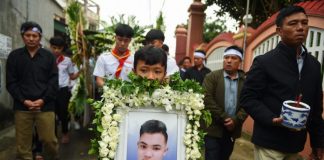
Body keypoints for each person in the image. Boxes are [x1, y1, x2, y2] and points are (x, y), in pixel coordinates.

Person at [240, 6, 324, 160]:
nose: (300, 28)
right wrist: (272, 119)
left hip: (296, 145)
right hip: (269, 144)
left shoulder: (314, 65)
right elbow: (248, 98)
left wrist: (318, 143)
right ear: (279, 31)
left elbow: (316, 108)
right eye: (293, 24)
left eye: (304, 23)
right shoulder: (264, 62)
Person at [6, 21, 59, 159]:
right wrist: (24, 100)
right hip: (22, 106)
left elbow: (53, 82)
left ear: (40, 37)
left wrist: (43, 100)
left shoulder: (49, 57)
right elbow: (11, 83)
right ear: (22, 36)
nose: (31, 38)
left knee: (49, 140)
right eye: (27, 35)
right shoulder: (14, 57)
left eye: (34, 35)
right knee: (23, 146)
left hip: (45, 106)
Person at [202, 46, 247, 160]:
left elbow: (248, 103)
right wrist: (225, 118)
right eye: (226, 57)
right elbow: (207, 99)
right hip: (213, 128)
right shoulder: (212, 77)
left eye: (233, 58)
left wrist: (236, 120)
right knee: (212, 157)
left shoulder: (245, 81)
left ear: (240, 61)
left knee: (225, 156)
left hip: (232, 130)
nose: (229, 61)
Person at [49, 36, 79, 143]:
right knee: (51, 114)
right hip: (50, 91)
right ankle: (53, 136)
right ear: (50, 47)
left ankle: (65, 133)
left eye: (59, 48)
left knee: (63, 113)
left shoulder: (67, 61)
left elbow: (71, 76)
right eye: (54, 47)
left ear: (62, 49)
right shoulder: (47, 59)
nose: (56, 50)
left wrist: (80, 72)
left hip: (63, 90)